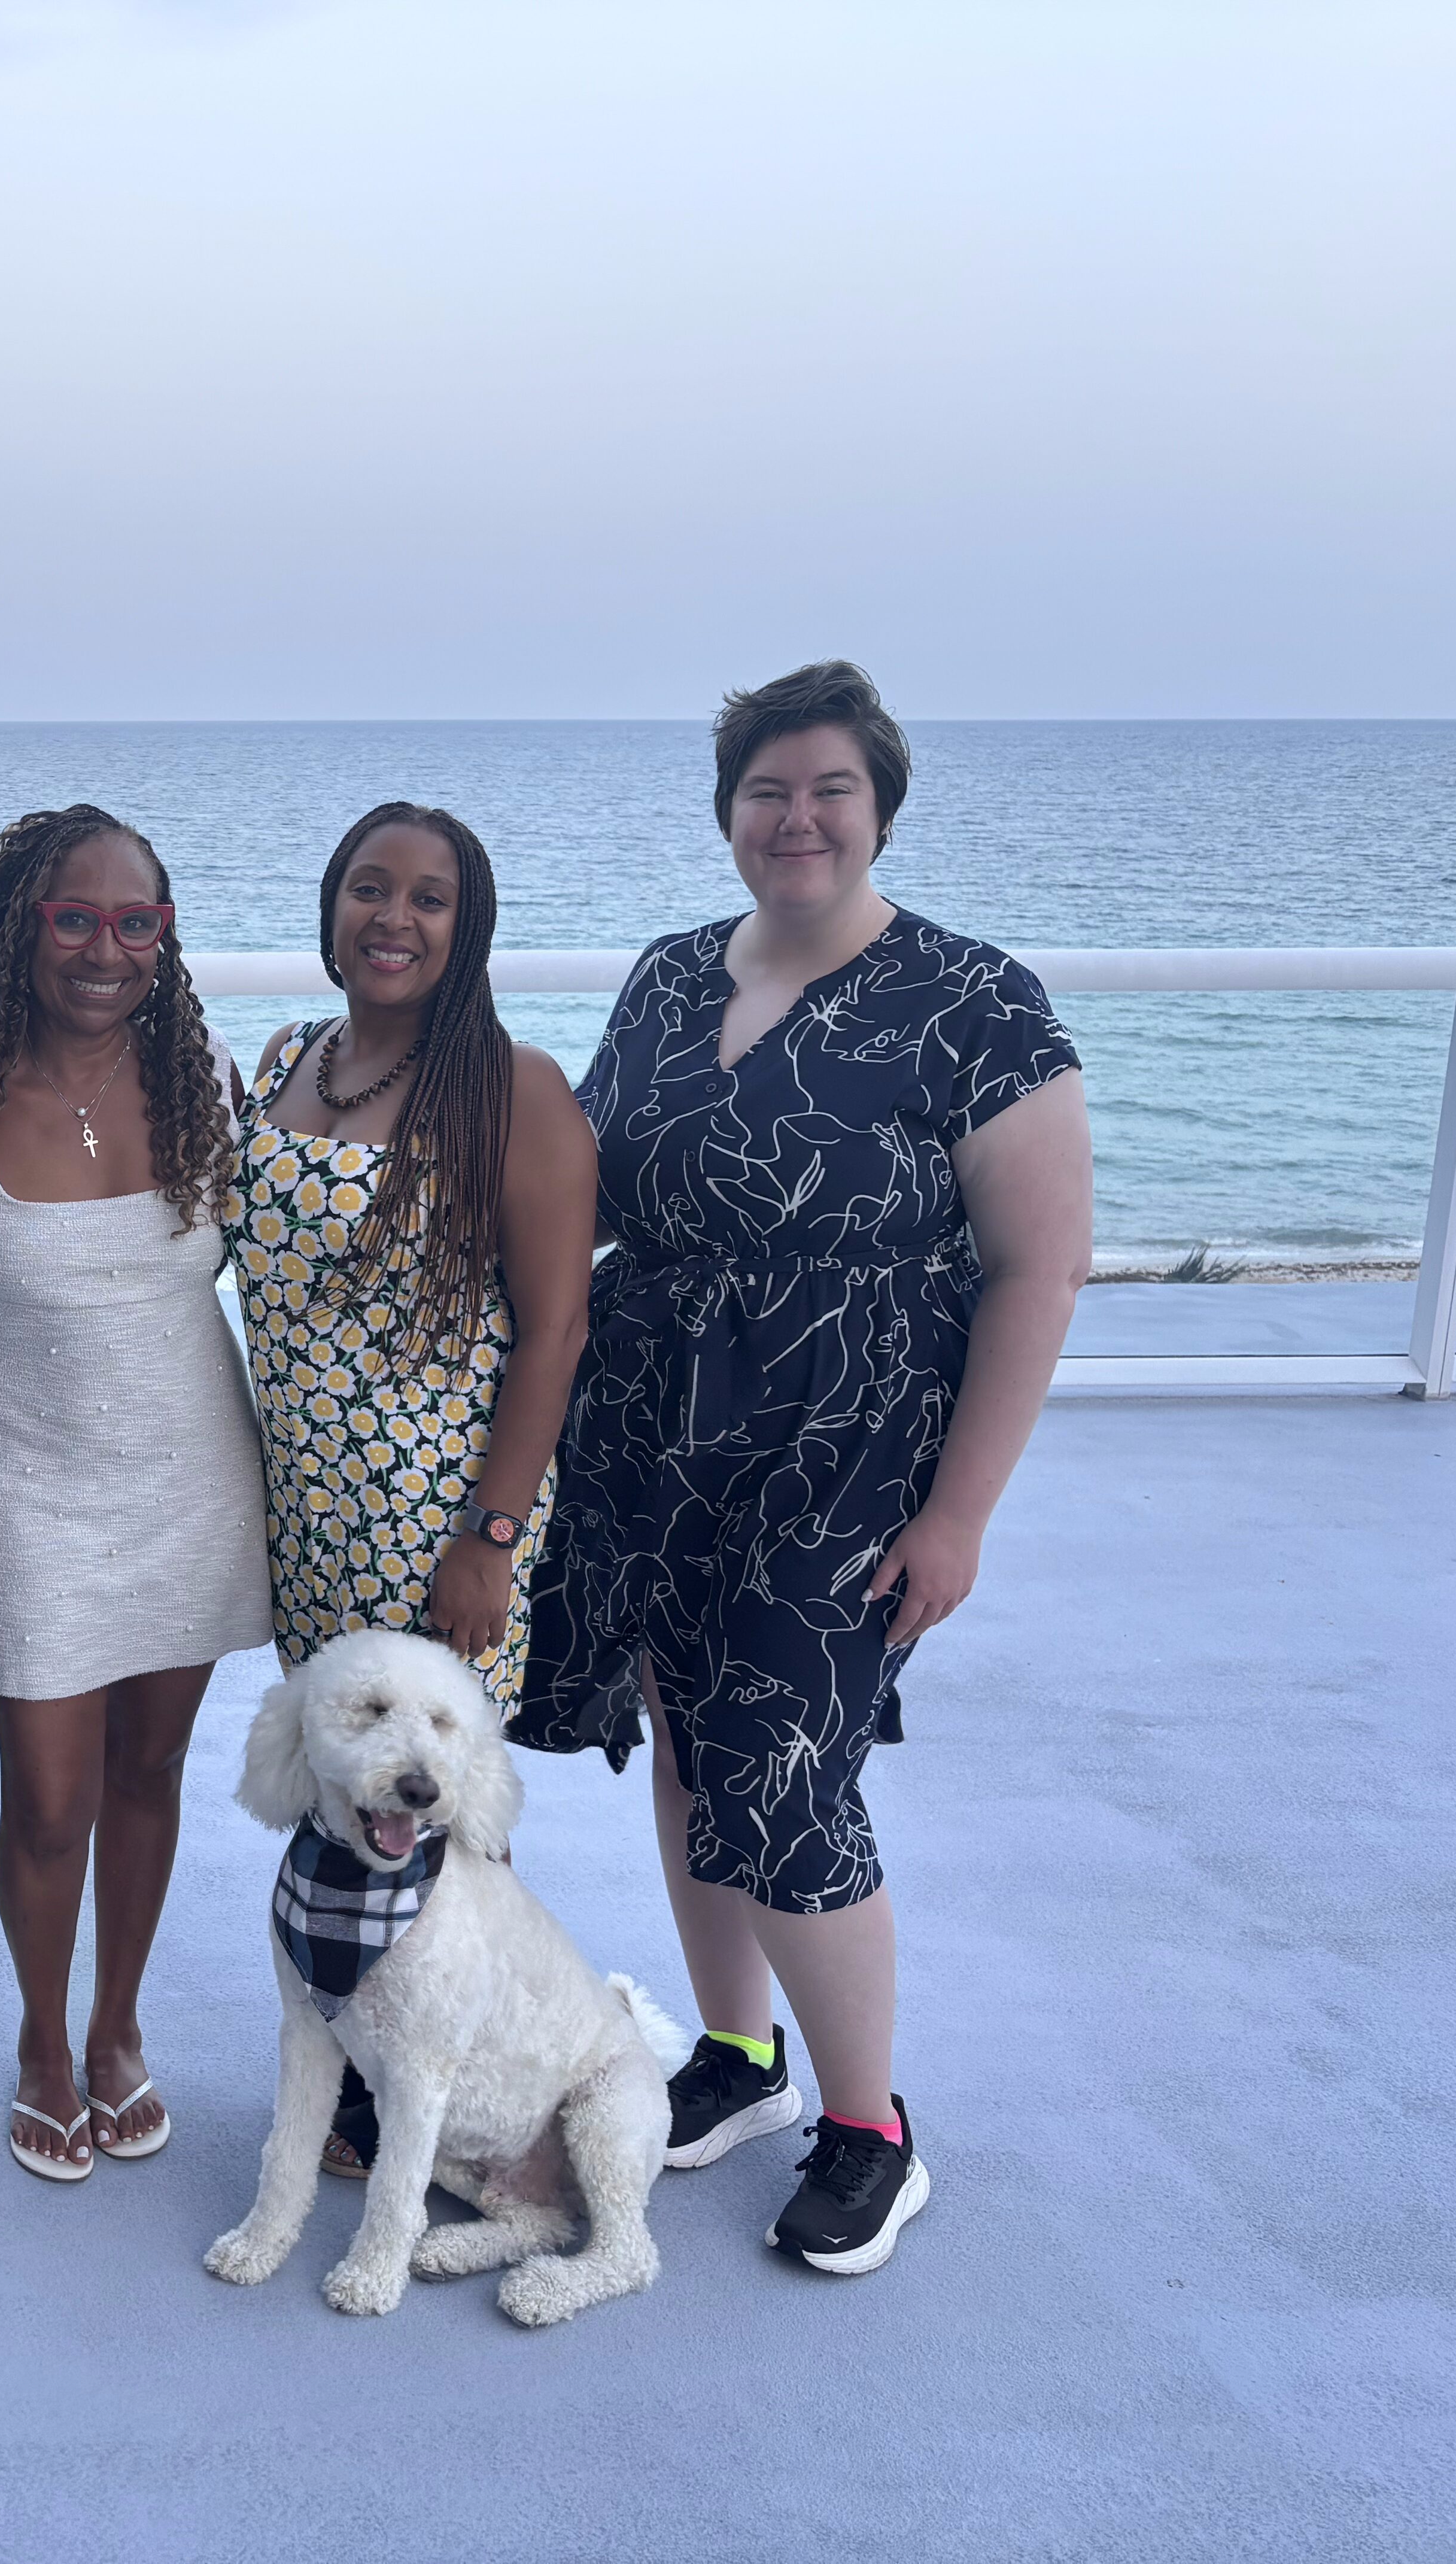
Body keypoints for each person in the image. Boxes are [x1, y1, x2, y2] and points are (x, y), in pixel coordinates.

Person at [515, 661, 1092, 2279]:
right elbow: (586, 1184)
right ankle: (738, 2053)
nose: (798, 817)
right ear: (729, 814)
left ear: (880, 808)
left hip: (850, 1454)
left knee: (785, 1771)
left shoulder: (974, 1000)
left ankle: (868, 2129)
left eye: (832, 787)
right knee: (691, 1739)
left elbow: (1039, 1269)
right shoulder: (669, 976)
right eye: (767, 790)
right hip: (653, 1432)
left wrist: (960, 1514)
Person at [0, 804, 268, 2181]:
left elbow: (301, 1262)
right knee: (49, 1803)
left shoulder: (206, 1076)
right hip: (37, 1497)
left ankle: (116, 2028)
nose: (107, 950)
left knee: (148, 1772)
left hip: (195, 1481)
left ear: (165, 936)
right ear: (20, 929)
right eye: (74, 918)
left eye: (135, 921)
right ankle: (44, 2042)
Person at [230, 800, 598, 2183]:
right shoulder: (288, 1059)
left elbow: (555, 1329)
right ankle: (363, 2063)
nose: (394, 918)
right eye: (369, 889)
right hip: (310, 1512)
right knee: (351, 1800)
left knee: (439, 1812)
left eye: (429, 898)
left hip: (440, 1514)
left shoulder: (515, 1093)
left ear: (468, 928)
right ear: (331, 908)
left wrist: (491, 1537)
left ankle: (478, 2094)